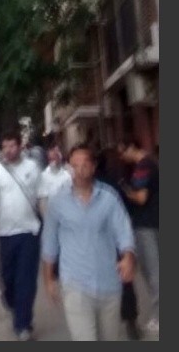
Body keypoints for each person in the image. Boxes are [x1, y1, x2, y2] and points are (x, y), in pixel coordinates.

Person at [41, 144, 136, 341]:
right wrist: (49, 279)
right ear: (69, 168)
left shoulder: (109, 198)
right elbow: (49, 242)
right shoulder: (58, 202)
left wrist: (128, 257)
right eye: (75, 166)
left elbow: (123, 231)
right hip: (75, 285)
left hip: (109, 283)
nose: (80, 171)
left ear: (93, 167)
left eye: (85, 165)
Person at [0, 130, 42, 341]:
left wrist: (49, 224)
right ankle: (15, 304)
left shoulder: (32, 168)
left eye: (12, 146)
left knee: (26, 279)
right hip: (6, 234)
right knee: (8, 278)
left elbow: (41, 198)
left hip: (29, 232)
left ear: (20, 146)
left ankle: (22, 324)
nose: (8, 150)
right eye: (5, 146)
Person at [96, 147, 141, 340]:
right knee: (125, 281)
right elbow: (128, 209)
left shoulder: (87, 187)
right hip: (116, 239)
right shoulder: (115, 184)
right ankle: (130, 321)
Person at [118, 138, 159, 334]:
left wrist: (126, 191)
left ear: (131, 147)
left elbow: (141, 197)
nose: (121, 157)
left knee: (153, 272)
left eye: (122, 152)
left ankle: (160, 316)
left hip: (146, 225)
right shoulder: (151, 162)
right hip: (153, 222)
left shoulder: (143, 166)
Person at [37, 143, 73, 215]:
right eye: (50, 159)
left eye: (55, 157)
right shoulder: (43, 177)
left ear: (60, 157)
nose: (53, 161)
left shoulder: (67, 175)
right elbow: (43, 202)